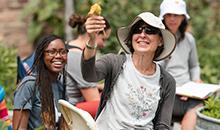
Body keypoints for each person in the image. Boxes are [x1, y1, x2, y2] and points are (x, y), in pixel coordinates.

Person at [81, 12, 176, 129]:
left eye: (150, 30)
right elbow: (89, 75)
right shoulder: (114, 62)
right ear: (131, 37)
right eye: (137, 30)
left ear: (161, 41)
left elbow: (163, 124)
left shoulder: (168, 81)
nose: (142, 34)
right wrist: (91, 41)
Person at [158, 0, 203, 129]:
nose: (173, 19)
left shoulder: (189, 39)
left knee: (201, 103)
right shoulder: (157, 39)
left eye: (177, 15)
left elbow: (194, 66)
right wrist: (177, 89)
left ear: (183, 17)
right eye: (169, 14)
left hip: (188, 92)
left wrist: (196, 81)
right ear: (163, 17)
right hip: (165, 91)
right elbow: (156, 72)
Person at [13, 34, 69, 130]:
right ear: (41, 55)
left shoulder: (61, 86)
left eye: (63, 52)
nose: (58, 56)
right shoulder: (29, 85)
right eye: (52, 52)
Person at [65, 14, 111, 118]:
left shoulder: (68, 46)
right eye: (103, 39)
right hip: (71, 110)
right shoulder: (77, 56)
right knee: (111, 106)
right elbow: (94, 100)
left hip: (71, 103)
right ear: (94, 33)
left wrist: (100, 87)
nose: (103, 45)